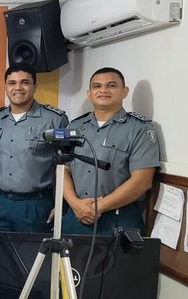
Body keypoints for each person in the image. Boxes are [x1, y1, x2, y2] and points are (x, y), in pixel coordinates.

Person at [61, 67, 160, 235]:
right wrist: (74, 203)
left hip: (118, 221)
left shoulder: (139, 129)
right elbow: (63, 169)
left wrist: (96, 207)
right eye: (97, 86)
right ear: (89, 93)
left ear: (124, 91)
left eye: (111, 85)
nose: (103, 90)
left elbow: (142, 182)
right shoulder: (75, 127)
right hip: (76, 217)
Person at [0, 65, 69, 233]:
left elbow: (65, 166)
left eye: (25, 82)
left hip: (36, 205)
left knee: (31, 258)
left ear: (35, 86)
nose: (18, 88)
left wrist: (61, 204)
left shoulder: (55, 120)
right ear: (5, 88)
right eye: (12, 83)